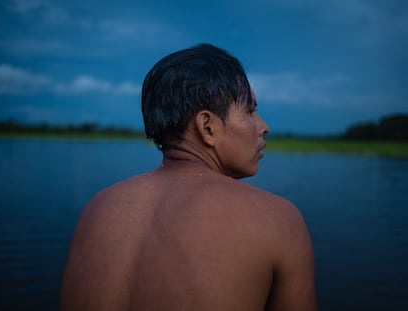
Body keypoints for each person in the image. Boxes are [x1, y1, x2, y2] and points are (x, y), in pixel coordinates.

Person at [60, 43, 318, 311]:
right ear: (207, 126)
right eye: (250, 111)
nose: (264, 127)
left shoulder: (98, 208)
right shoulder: (276, 220)